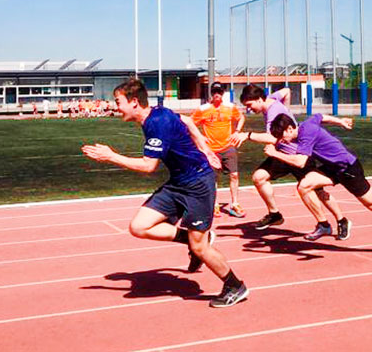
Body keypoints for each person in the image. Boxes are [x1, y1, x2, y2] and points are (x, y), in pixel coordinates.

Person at [81, 77, 247, 308]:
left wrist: (111, 156)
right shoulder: (156, 113)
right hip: (178, 182)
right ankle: (195, 239)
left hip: (198, 183)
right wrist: (205, 147)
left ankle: (234, 285)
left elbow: (149, 167)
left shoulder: (156, 123)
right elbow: (187, 121)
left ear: (134, 103)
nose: (115, 106)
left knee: (200, 247)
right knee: (139, 226)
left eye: (118, 102)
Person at [266, 112, 372, 256]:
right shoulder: (306, 124)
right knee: (304, 186)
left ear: (290, 129)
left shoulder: (306, 134)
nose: (282, 141)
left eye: (282, 136)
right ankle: (323, 225)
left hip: (348, 169)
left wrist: (275, 154)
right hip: (332, 168)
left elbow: (300, 162)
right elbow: (320, 116)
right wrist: (340, 121)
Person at [230, 84, 351, 241]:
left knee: (317, 191)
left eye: (249, 105)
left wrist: (248, 135)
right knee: (259, 177)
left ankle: (340, 220)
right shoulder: (272, 99)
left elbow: (274, 138)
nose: (249, 109)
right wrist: (287, 110)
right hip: (281, 154)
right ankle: (275, 214)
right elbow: (286, 91)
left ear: (260, 99)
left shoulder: (274, 112)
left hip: (297, 154)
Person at [192, 82, 246, 218]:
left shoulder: (230, 107)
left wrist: (238, 131)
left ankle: (235, 204)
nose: (217, 94)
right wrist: (200, 137)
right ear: (211, 93)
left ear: (223, 93)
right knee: (213, 177)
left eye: (219, 92)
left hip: (228, 147)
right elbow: (189, 124)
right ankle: (214, 205)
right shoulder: (203, 109)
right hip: (211, 150)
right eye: (215, 91)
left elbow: (241, 118)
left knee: (234, 175)